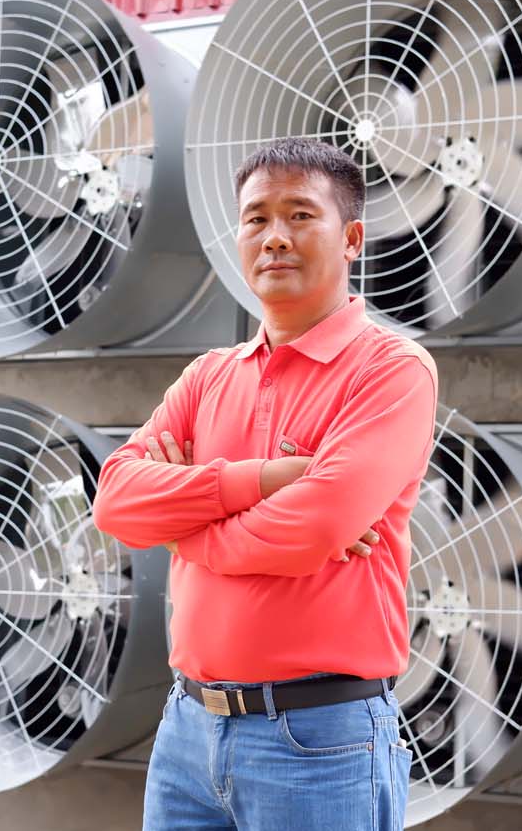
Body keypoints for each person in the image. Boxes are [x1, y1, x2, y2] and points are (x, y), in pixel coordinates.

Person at [93, 137, 438, 830]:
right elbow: (116, 502)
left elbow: (314, 525)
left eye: (301, 215)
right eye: (256, 218)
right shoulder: (208, 376)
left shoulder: (391, 371)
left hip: (318, 740)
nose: (274, 237)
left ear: (353, 239)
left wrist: (184, 530)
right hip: (188, 731)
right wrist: (264, 480)